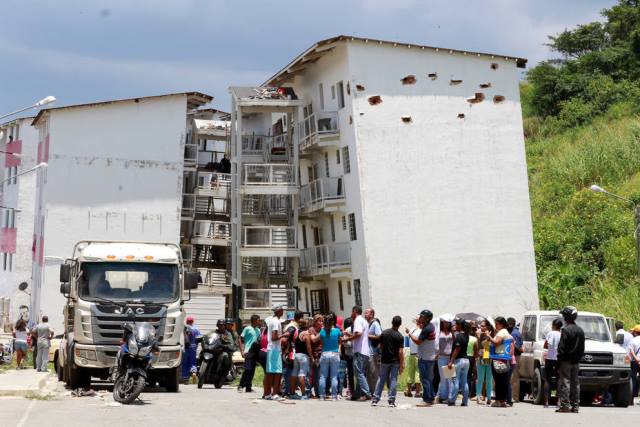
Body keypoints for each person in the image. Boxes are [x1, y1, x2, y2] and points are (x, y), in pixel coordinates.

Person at [556, 306, 585, 413]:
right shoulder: (580, 330)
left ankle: (565, 406)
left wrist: (559, 362)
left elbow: (561, 348)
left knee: (565, 383)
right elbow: (582, 348)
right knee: (575, 384)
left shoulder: (566, 330)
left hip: (566, 361)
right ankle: (575, 406)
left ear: (566, 317)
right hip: (576, 362)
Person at [372, 315, 404, 407]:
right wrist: (402, 363)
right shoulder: (400, 336)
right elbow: (400, 352)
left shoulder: (384, 333)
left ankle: (375, 399)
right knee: (393, 379)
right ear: (400, 324)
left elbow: (380, 346)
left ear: (392, 322)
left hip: (385, 360)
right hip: (395, 361)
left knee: (381, 378)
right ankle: (391, 400)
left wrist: (382, 354)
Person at [407, 309, 437, 407]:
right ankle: (431, 397)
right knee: (429, 378)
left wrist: (410, 334)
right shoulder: (430, 326)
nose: (420, 318)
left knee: (425, 379)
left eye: (422, 317)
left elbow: (418, 341)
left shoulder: (427, 328)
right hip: (429, 357)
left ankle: (427, 400)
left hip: (425, 357)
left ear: (427, 318)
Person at [343, 305, 371, 401]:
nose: (351, 314)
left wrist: (347, 338)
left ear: (355, 312)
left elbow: (358, 334)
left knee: (359, 373)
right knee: (360, 373)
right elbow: (360, 334)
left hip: (359, 351)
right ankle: (357, 394)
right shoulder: (364, 321)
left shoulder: (358, 320)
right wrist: (350, 335)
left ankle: (367, 393)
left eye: (352, 312)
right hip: (365, 351)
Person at [485, 316, 512, 408]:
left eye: (497, 324)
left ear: (501, 324)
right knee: (502, 381)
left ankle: (498, 401)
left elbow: (497, 342)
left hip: (498, 358)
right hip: (503, 358)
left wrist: (489, 337)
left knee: (499, 381)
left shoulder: (502, 332)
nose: (495, 325)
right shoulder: (505, 332)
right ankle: (502, 401)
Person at [264, 305, 287, 401]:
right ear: (279, 311)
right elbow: (274, 338)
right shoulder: (276, 322)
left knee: (270, 372)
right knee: (277, 372)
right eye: (282, 310)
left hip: (271, 349)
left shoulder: (271, 321)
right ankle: (274, 394)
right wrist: (284, 335)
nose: (283, 311)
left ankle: (267, 394)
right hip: (275, 349)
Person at [319, 313, 343, 401]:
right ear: (333, 321)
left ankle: (321, 396)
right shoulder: (337, 331)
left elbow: (322, 344)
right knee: (334, 376)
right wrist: (339, 349)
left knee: (323, 376)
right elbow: (340, 341)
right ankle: (334, 396)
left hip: (325, 353)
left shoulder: (322, 331)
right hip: (335, 354)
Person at [448, 319, 470, 406]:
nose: (455, 326)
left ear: (460, 326)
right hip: (466, 360)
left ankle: (452, 400)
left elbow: (457, 349)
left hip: (459, 361)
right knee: (464, 381)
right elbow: (456, 343)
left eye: (456, 325)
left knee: (455, 381)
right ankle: (465, 401)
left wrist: (451, 361)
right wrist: (453, 334)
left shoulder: (459, 336)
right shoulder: (466, 335)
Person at [289, 319, 313, 400]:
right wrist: (311, 357)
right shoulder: (306, 334)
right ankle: (303, 394)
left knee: (294, 373)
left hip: (297, 355)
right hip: (303, 356)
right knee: (302, 374)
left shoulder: (296, 333)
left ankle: (292, 393)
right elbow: (308, 347)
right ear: (306, 325)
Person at [238, 314, 261, 393]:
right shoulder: (247, 328)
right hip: (248, 351)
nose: (259, 321)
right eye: (258, 320)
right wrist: (242, 351)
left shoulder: (258, 330)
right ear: (254, 321)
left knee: (252, 370)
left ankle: (248, 387)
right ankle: (240, 386)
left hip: (255, 352)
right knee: (247, 369)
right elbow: (240, 339)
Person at [282, 311, 303, 395]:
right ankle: (287, 391)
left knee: (290, 371)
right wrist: (287, 348)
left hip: (290, 351)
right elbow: (285, 339)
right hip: (290, 352)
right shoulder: (292, 327)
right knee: (289, 371)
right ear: (300, 318)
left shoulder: (293, 325)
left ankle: (288, 390)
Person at [543, 317, 562, 407]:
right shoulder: (561, 334)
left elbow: (545, 345)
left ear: (554, 325)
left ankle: (546, 402)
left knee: (547, 379)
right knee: (559, 379)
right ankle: (558, 401)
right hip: (558, 359)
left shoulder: (550, 333)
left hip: (550, 359)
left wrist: (551, 349)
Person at [436, 315, 454, 404]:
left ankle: (450, 396)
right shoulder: (439, 332)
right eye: (444, 323)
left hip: (450, 357)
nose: (445, 324)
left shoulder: (452, 332)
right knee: (443, 377)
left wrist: (454, 332)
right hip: (441, 357)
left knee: (450, 377)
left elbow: (455, 342)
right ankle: (443, 396)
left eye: (447, 323)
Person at [476, 319, 494, 405]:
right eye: (480, 326)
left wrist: (488, 337)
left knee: (489, 379)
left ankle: (489, 397)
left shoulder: (492, 334)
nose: (481, 327)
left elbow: (491, 345)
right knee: (480, 378)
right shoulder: (481, 335)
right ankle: (479, 397)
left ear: (488, 326)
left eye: (483, 326)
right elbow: (479, 346)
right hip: (482, 357)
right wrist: (479, 337)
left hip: (489, 357)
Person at [404, 318, 422, 398]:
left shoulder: (411, 330)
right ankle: (417, 392)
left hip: (411, 354)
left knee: (410, 373)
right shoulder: (421, 331)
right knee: (418, 373)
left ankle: (409, 391)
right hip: (418, 354)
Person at [366, 308, 382, 393]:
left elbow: (380, 336)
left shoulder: (375, 324)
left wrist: (368, 336)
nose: (365, 314)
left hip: (373, 352)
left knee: (374, 373)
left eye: (367, 313)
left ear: (372, 314)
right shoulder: (367, 324)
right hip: (368, 352)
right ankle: (372, 392)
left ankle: (377, 392)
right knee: (369, 374)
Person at [507, 317, 523, 404]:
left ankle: (514, 397)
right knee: (513, 377)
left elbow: (517, 347)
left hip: (515, 356)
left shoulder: (514, 334)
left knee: (514, 377)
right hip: (514, 356)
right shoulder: (513, 332)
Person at [307, 314, 324, 398]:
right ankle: (312, 392)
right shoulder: (312, 329)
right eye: (319, 321)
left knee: (320, 375)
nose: (321, 323)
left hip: (323, 354)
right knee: (315, 375)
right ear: (315, 321)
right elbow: (313, 340)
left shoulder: (322, 329)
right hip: (315, 355)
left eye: (322, 321)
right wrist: (322, 332)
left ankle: (319, 392)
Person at [182, 316, 201, 382]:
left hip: (185, 347)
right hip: (193, 347)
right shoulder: (196, 329)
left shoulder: (183, 328)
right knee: (193, 362)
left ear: (187, 321)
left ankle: (185, 377)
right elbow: (199, 338)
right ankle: (193, 373)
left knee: (185, 363)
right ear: (192, 321)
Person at [341, 317, 355, 398]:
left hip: (349, 354)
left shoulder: (348, 331)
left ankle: (351, 390)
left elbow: (345, 344)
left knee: (350, 374)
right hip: (349, 355)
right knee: (350, 373)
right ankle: (351, 390)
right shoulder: (348, 330)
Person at [466, 322, 478, 400]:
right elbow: (476, 351)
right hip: (471, 358)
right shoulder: (475, 339)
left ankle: (467, 392)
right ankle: (470, 392)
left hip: (466, 357)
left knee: (467, 376)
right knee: (471, 376)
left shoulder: (465, 337)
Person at [630, 325, 640, 402]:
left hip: (634, 361)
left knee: (633, 379)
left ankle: (631, 399)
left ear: (636, 332)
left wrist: (636, 358)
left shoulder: (633, 340)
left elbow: (631, 351)